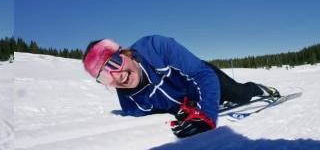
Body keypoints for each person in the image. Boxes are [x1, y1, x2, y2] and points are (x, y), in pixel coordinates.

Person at [83, 36, 280, 138]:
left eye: (113, 63)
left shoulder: (155, 47)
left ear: (124, 52)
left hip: (205, 80)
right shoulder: (130, 103)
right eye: (104, 77)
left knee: (240, 95)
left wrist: (206, 115)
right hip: (190, 101)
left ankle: (257, 88)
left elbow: (202, 74)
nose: (117, 76)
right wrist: (180, 111)